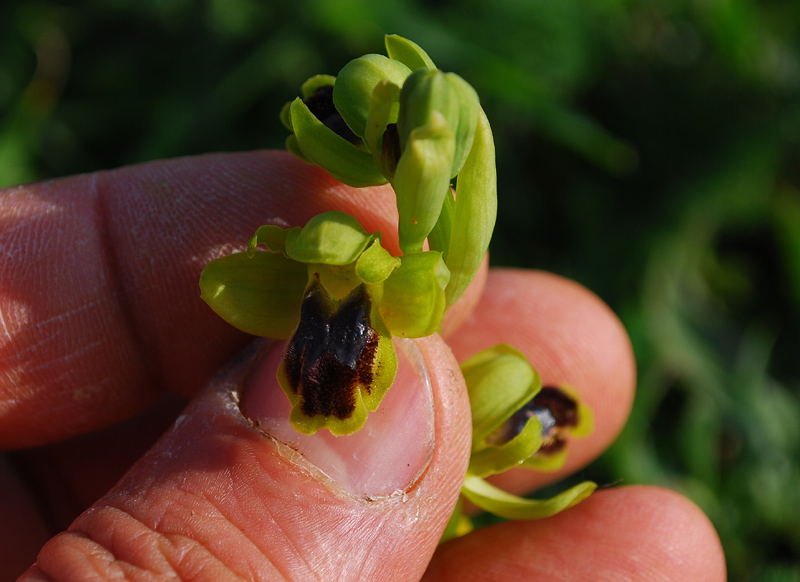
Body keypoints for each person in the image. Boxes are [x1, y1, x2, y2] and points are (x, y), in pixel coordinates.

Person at [0, 151, 726, 581]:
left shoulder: (403, 294)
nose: (334, 283)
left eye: (344, 278)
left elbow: (422, 289)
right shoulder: (325, 294)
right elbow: (226, 285)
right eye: (324, 277)